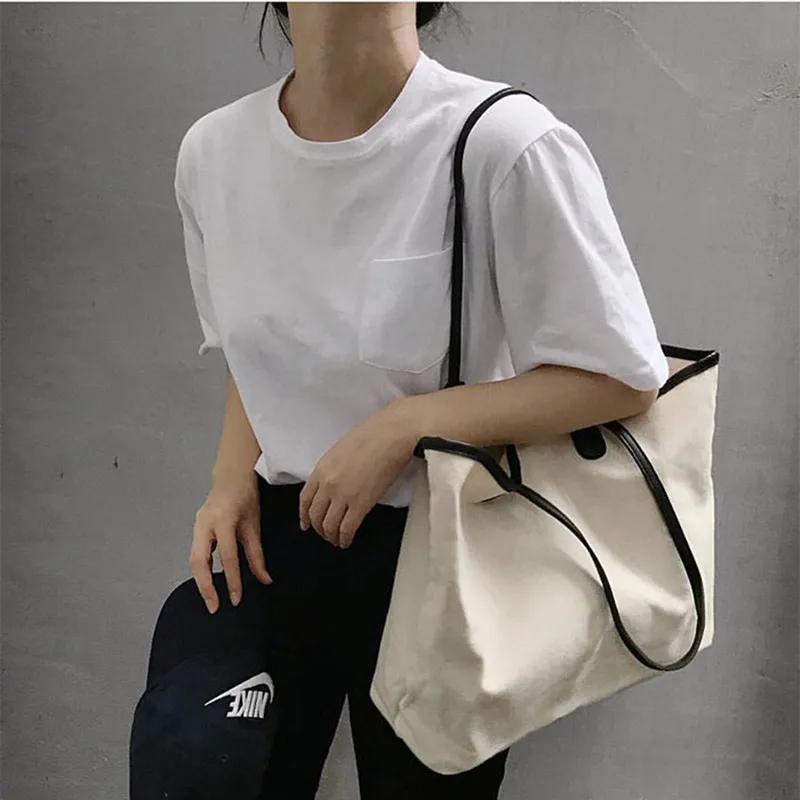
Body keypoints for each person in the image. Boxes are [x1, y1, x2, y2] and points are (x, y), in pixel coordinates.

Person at [172, 3, 670, 797]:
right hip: (275, 547)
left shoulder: (501, 143)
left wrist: (410, 423)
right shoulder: (214, 152)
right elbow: (249, 346)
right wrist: (230, 480)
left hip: (436, 558)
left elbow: (622, 374)